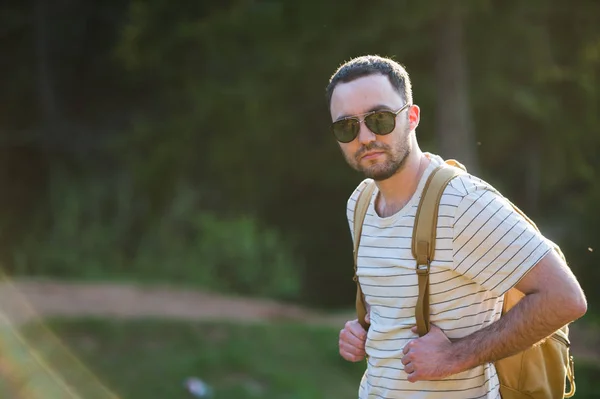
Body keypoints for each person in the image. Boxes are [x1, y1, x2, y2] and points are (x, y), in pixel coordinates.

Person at [326, 55, 587, 399]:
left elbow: (565, 299)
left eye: (380, 119)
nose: (365, 136)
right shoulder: (359, 204)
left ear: (412, 117)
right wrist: (364, 330)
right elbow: (395, 306)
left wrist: (454, 356)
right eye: (347, 126)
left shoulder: (461, 203)